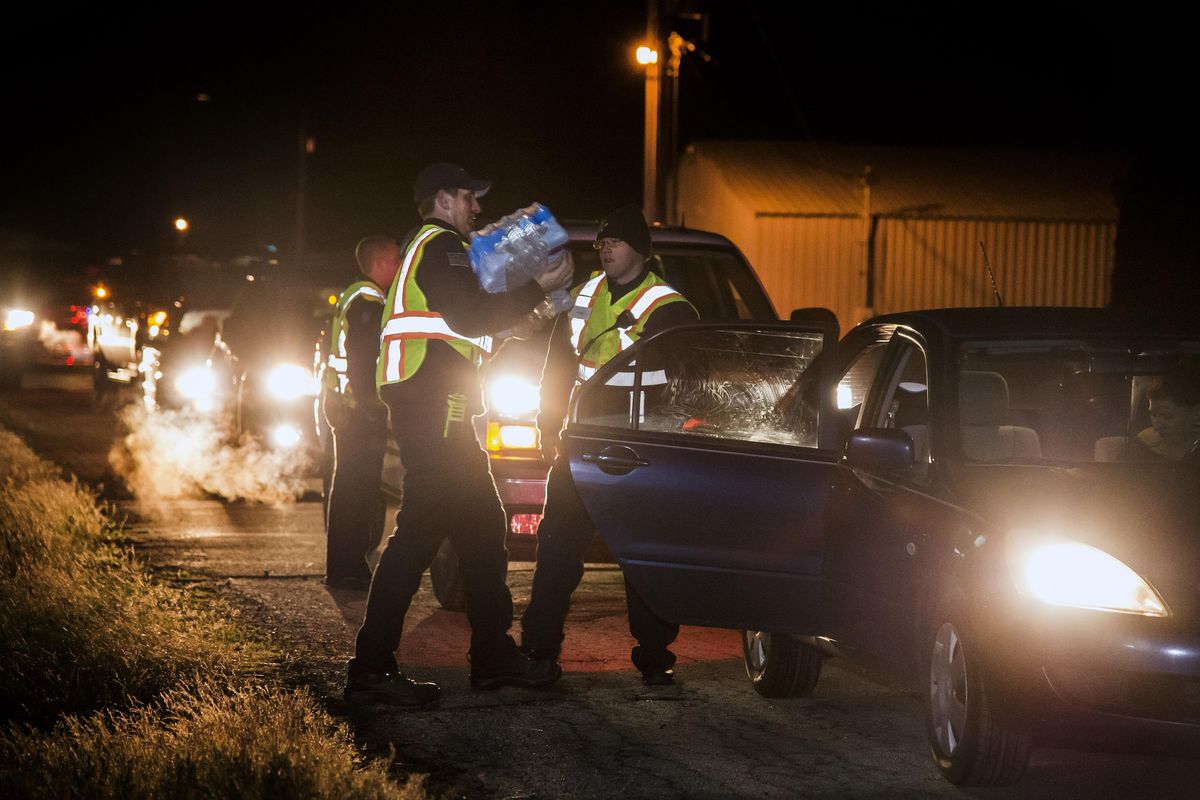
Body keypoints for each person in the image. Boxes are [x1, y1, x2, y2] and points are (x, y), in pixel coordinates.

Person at [345, 162, 571, 707]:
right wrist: (538, 285)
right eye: (470, 197)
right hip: (434, 403)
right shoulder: (440, 244)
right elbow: (470, 314)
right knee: (419, 533)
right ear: (443, 200)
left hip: (435, 400)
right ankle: (371, 669)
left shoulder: (432, 248)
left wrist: (529, 311)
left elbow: (474, 321)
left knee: (480, 526)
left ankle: (492, 657)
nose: (477, 208)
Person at [520, 204, 698, 686]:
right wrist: (547, 422)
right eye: (600, 244)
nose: (605, 251)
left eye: (614, 243)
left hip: (638, 448)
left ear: (640, 249)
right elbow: (557, 366)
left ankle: (655, 653)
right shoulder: (585, 295)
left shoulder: (671, 308)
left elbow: (687, 387)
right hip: (581, 440)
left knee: (641, 554)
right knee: (556, 546)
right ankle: (538, 650)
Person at [320, 236, 401, 589]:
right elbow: (362, 360)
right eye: (396, 260)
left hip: (346, 407)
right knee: (359, 490)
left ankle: (342, 567)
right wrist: (373, 406)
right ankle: (350, 569)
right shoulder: (369, 301)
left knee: (348, 489)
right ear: (381, 263)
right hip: (357, 410)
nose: (399, 267)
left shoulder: (354, 295)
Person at [1134, 365, 1200, 461]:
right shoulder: (1140, 445)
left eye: (1167, 416)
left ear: (1196, 412)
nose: (1157, 425)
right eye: (1153, 415)